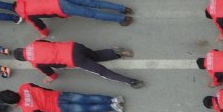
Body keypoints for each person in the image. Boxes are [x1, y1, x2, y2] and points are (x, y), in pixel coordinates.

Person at [13, 41, 141, 87]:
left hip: (73, 59)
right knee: (94, 56)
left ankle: (130, 81)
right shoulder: (34, 43)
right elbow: (48, 44)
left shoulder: (35, 63)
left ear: (24, 59)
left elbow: (51, 74)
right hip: (74, 46)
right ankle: (116, 53)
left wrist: (50, 78)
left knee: (101, 71)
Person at [13, 0, 131, 36]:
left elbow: (39, 25)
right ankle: (123, 8)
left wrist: (44, 34)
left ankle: (122, 19)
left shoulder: (26, 14)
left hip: (61, 7)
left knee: (93, 14)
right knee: (92, 2)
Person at [0, 83, 123, 112]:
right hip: (59, 96)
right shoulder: (25, 87)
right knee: (86, 98)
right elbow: (43, 88)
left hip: (60, 109)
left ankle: (112, 107)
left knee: (88, 109)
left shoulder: (26, 110)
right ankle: (113, 99)